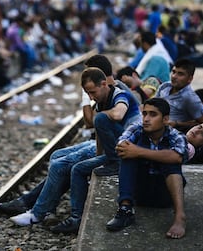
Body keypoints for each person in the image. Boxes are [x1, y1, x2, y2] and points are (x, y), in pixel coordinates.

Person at [106, 98, 203, 239]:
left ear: (165, 119)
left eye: (153, 114)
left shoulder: (177, 136)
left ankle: (180, 217)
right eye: (145, 114)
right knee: (128, 155)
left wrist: (139, 152)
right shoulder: (137, 128)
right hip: (139, 192)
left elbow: (178, 157)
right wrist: (134, 151)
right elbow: (121, 145)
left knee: (170, 158)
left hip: (164, 195)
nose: (146, 119)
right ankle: (125, 210)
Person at [49, 67, 142, 234]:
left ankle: (115, 163)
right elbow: (98, 131)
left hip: (131, 150)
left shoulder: (120, 95)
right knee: (77, 169)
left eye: (93, 92)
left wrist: (99, 115)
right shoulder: (101, 102)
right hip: (114, 153)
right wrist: (99, 159)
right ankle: (77, 218)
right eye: (88, 94)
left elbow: (118, 114)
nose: (92, 97)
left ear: (104, 84)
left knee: (100, 118)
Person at [155, 58, 203, 133]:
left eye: (180, 74)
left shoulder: (190, 98)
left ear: (189, 79)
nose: (174, 76)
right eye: (173, 72)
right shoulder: (165, 86)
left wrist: (176, 123)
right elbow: (153, 105)